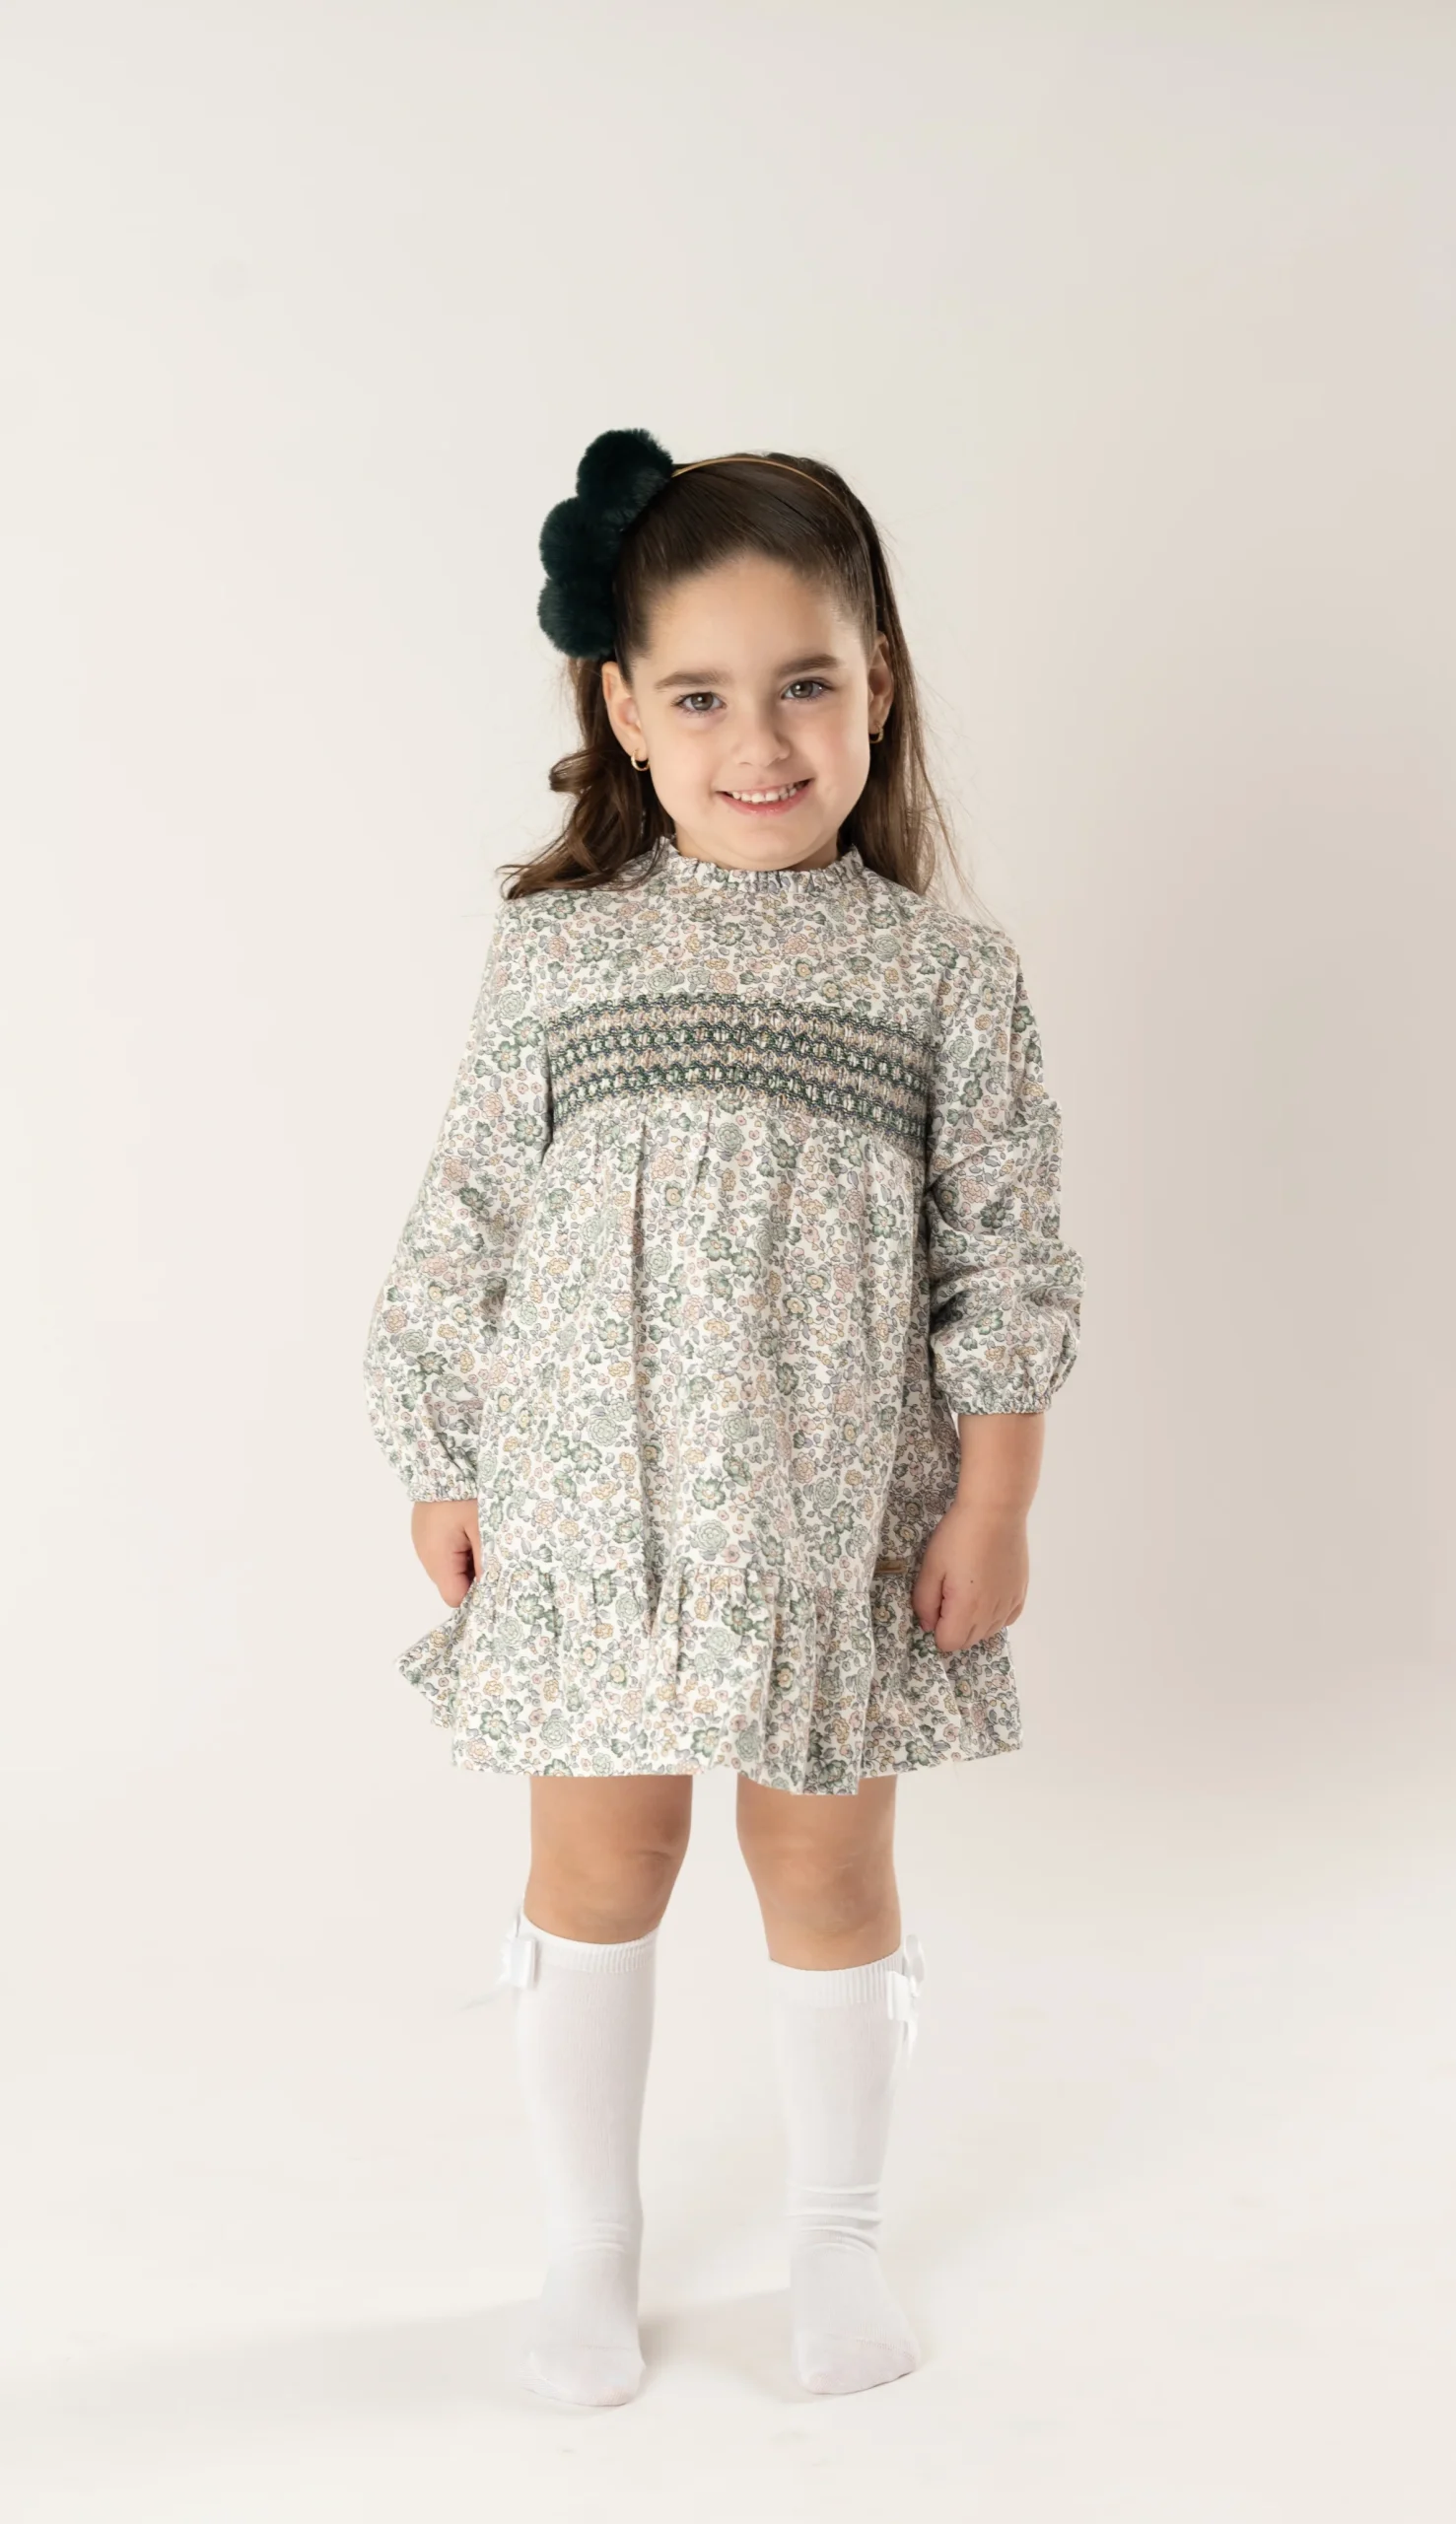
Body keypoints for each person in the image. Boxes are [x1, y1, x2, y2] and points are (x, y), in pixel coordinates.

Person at [361, 427, 1084, 2409]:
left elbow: (1003, 1257)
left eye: (804, 685)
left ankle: (833, 2239)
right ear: (620, 707)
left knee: (826, 1873)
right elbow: (467, 1215)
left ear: (878, 686)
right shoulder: (560, 951)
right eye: (697, 695)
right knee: (602, 1861)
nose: (757, 740)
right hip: (592, 1512)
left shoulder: (944, 976)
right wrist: (441, 1456)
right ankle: (586, 2249)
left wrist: (995, 1498)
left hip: (839, 1518)